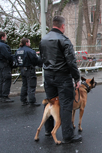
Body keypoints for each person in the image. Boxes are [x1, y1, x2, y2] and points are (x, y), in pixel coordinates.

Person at [39, 15, 82, 144]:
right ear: (62, 26)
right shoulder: (64, 40)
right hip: (63, 76)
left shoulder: (44, 40)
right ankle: (68, 135)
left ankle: (48, 129)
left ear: (53, 25)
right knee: (66, 104)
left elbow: (42, 58)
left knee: (50, 102)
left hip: (48, 75)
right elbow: (71, 62)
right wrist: (77, 78)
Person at [15, 38, 42, 106]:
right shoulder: (29, 51)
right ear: (26, 43)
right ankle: (32, 101)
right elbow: (35, 60)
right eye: (29, 42)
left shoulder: (18, 50)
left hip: (22, 69)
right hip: (29, 69)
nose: (30, 43)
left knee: (24, 85)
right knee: (31, 85)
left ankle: (23, 100)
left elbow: (15, 59)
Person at [0, 31, 14, 103]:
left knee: (1, 80)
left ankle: (1, 95)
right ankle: (5, 96)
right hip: (4, 65)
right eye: (5, 36)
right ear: (2, 37)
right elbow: (8, 56)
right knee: (6, 79)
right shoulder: (3, 46)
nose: (6, 37)